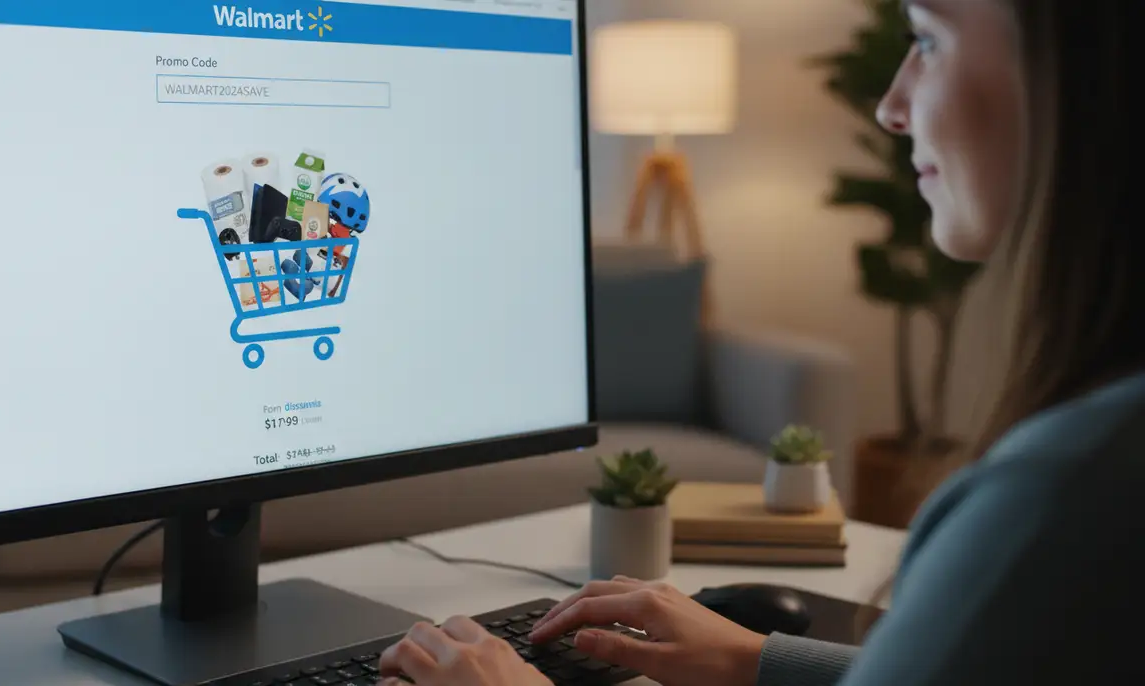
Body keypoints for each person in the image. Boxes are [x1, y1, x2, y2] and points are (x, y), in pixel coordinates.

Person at [377, 0, 1145, 683]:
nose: (891, 105)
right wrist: (758, 658)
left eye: (929, 38)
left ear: (1083, 76)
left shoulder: (1064, 494)